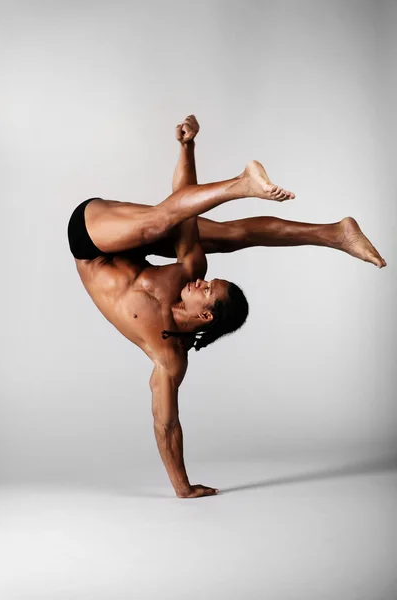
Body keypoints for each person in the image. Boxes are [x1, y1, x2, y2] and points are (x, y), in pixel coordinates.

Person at [67, 115, 387, 499]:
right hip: (126, 227)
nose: (201, 281)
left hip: (90, 242)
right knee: (218, 233)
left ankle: (333, 231)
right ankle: (320, 227)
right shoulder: (189, 271)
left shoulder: (167, 356)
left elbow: (166, 424)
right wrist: (188, 149)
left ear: (205, 315)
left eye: (207, 289)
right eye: (206, 282)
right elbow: (182, 211)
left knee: (170, 227)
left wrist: (182, 487)